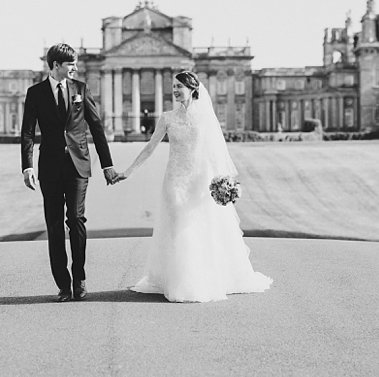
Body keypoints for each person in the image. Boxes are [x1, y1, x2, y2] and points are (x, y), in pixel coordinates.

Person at [115, 71, 272, 303]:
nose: (175, 90)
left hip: (200, 180)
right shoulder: (168, 117)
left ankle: (199, 279)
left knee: (200, 228)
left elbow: (215, 152)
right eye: (174, 87)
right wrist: (128, 171)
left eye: (180, 86)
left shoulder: (205, 117)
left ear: (193, 89)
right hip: (175, 180)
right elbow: (150, 147)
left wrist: (224, 181)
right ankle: (179, 281)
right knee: (177, 227)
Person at [21, 43, 118, 302]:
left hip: (78, 165)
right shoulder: (35, 93)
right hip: (50, 167)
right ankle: (63, 285)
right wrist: (27, 166)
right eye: (70, 64)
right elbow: (28, 133)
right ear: (55, 66)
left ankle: (80, 277)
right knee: (54, 225)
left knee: (75, 219)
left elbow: (96, 128)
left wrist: (107, 165)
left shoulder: (81, 89)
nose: (75, 68)